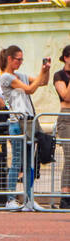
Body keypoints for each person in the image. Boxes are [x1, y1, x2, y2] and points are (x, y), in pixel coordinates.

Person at [0, 44, 50, 209]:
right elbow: (29, 90)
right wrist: (42, 72)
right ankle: (11, 198)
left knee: (29, 163)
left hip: (27, 121)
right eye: (18, 59)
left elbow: (42, 82)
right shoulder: (6, 77)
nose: (20, 62)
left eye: (22, 59)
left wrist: (46, 69)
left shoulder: (19, 76)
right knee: (17, 161)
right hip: (16, 122)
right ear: (10, 59)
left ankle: (28, 198)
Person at [54, 44, 70, 208]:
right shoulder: (59, 75)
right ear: (66, 57)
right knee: (69, 156)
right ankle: (65, 195)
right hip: (66, 118)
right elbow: (66, 95)